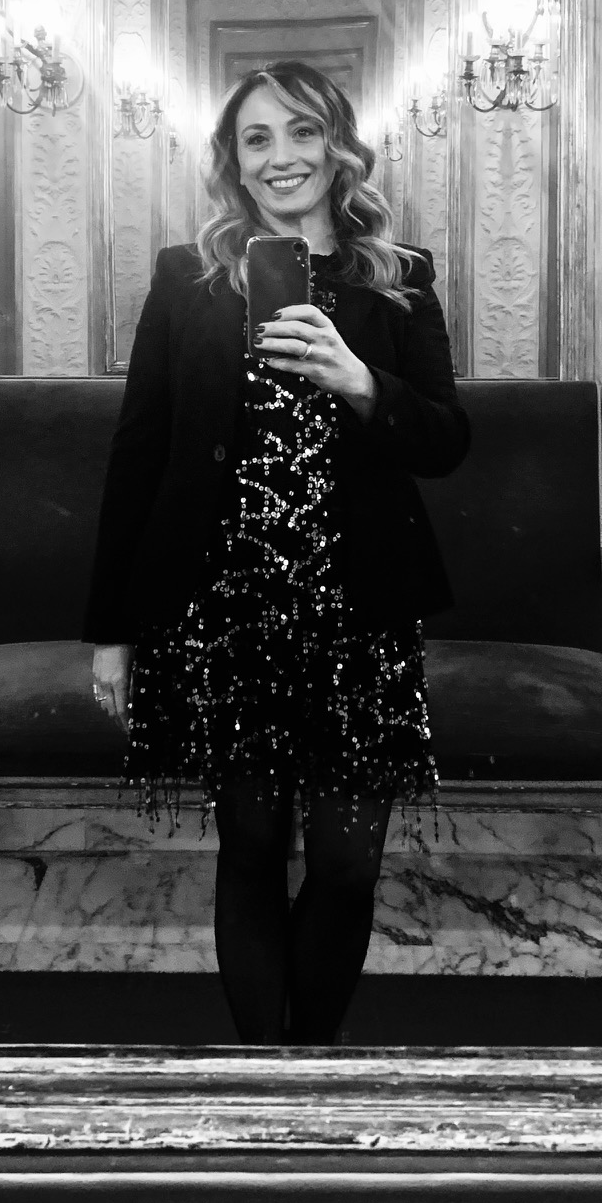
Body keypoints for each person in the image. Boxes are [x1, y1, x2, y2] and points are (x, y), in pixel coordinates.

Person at [84, 60, 470, 1044]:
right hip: (223, 610)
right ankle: (262, 1074)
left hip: (357, 613)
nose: (281, 156)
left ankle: (315, 1067)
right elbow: (138, 454)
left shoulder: (400, 277)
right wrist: (113, 630)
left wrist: (359, 379)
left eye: (301, 132)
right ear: (234, 159)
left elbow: (445, 441)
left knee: (345, 861)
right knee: (250, 846)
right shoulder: (187, 277)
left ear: (338, 148)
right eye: (257, 138)